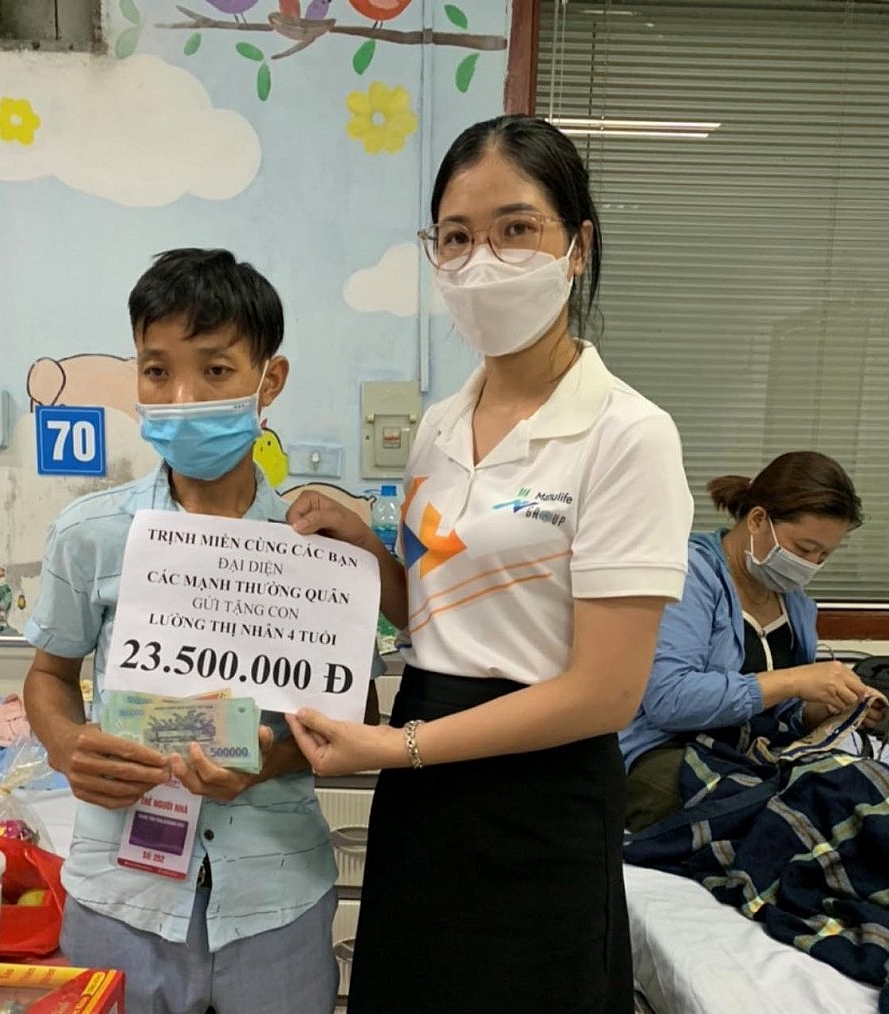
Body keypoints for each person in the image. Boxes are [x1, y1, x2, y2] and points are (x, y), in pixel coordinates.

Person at [285, 115, 694, 1014]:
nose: (482, 262)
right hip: (424, 782)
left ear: (578, 246)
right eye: (457, 237)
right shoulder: (438, 425)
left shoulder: (627, 435)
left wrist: (398, 747)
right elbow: (440, 620)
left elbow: (605, 692)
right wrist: (365, 550)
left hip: (541, 793)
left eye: (516, 230)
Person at [23, 249, 340, 1014]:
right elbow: (48, 676)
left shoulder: (316, 547)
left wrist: (266, 762)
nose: (183, 398)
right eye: (157, 371)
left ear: (270, 380)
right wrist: (65, 744)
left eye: (217, 370)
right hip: (119, 895)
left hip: (274, 898)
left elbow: (347, 707)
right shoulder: (91, 533)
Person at [620, 450, 882, 832]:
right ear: (758, 520)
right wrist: (794, 680)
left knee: (853, 797)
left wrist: (823, 708)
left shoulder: (794, 603)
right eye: (804, 549)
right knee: (791, 817)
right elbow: (669, 700)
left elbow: (782, 711)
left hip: (746, 751)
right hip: (664, 756)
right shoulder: (690, 575)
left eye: (823, 555)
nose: (811, 564)